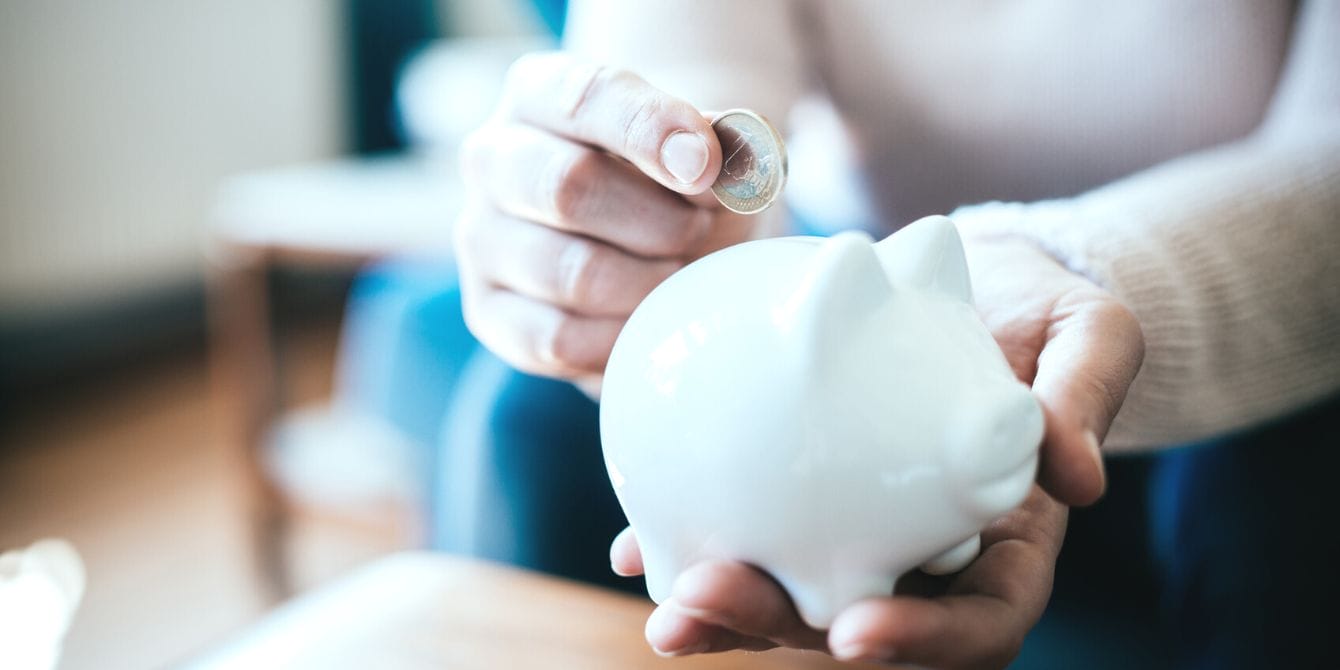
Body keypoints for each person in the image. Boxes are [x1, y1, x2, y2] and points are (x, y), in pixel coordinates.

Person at [451, 1, 1340, 667]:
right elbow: (675, 71)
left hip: (1206, 300)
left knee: (1273, 484)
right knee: (529, 418)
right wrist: (622, 229)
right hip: (852, 267)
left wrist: (1075, 271)